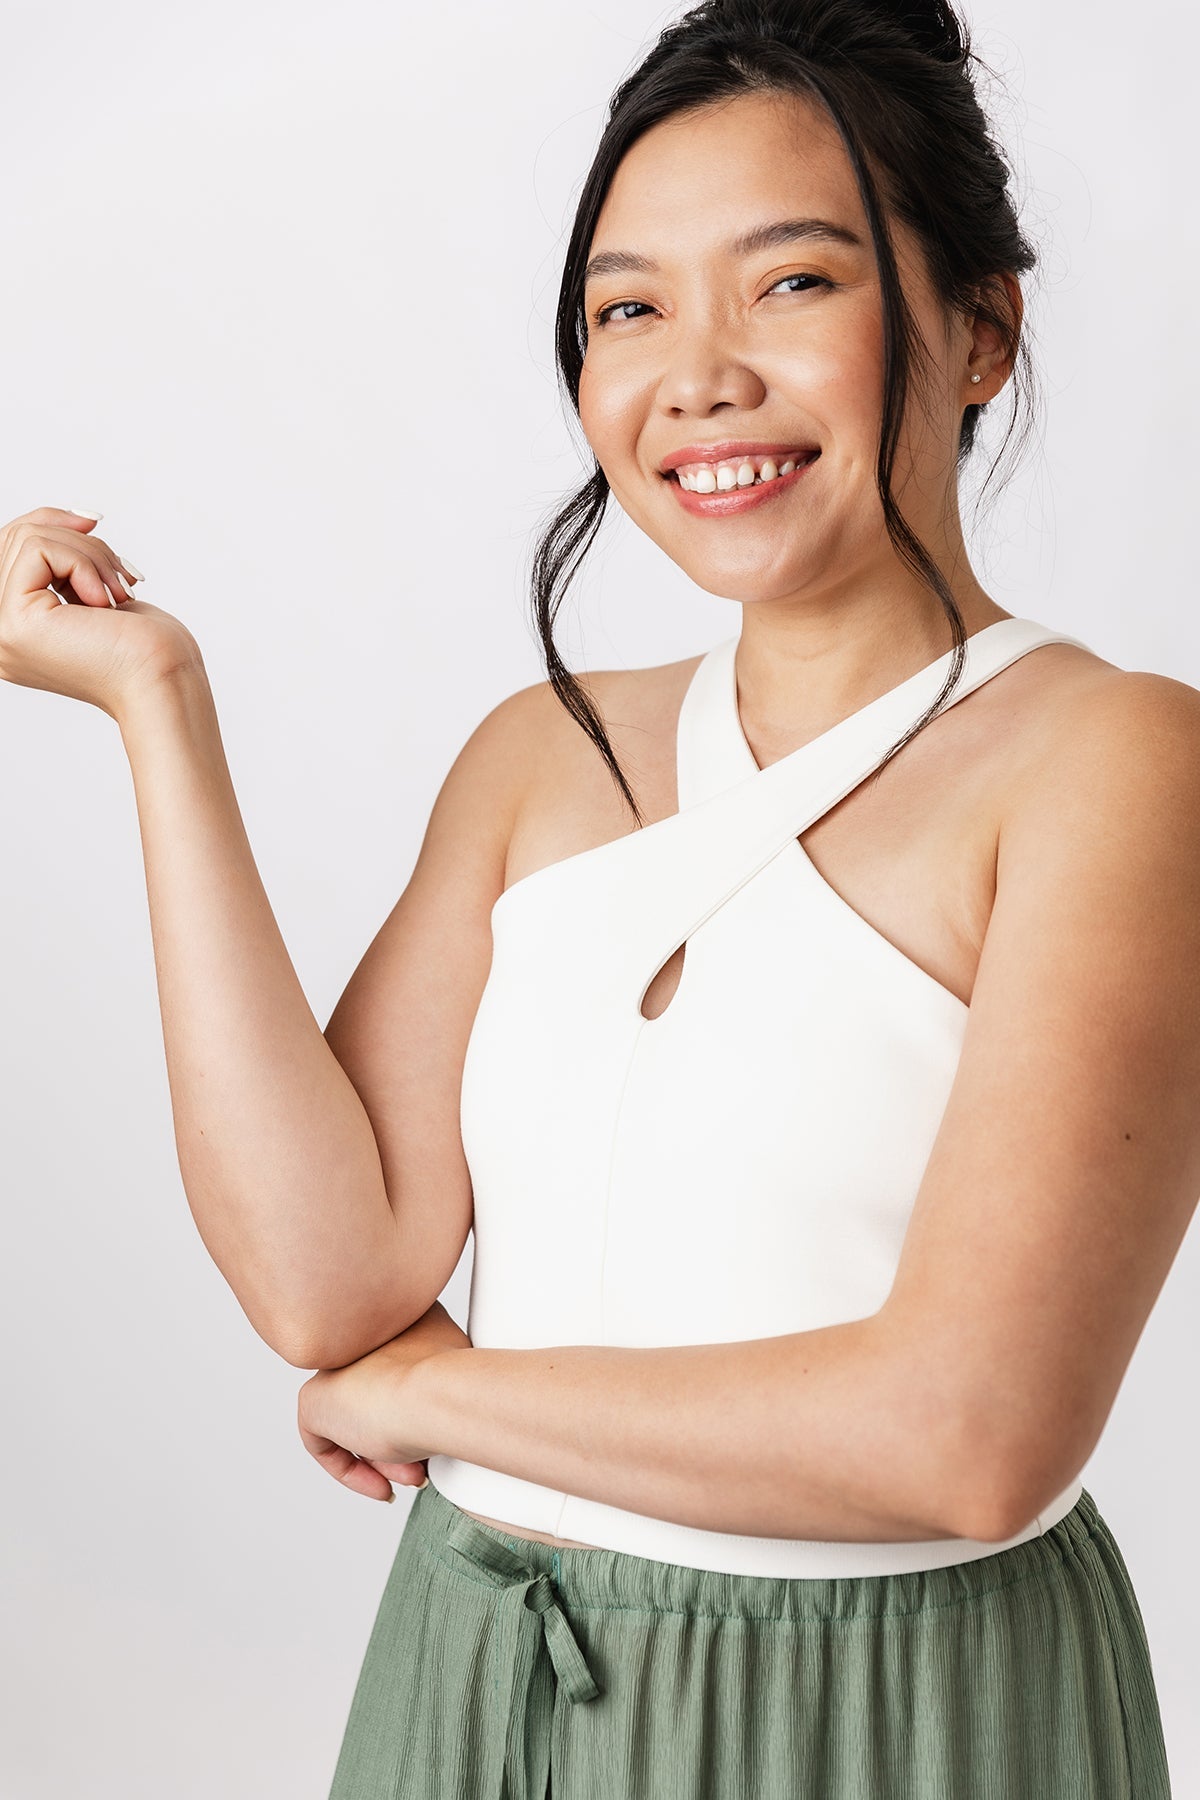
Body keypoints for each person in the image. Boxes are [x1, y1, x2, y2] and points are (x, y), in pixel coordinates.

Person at [1, 0, 1193, 1794]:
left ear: (981, 331)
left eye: (792, 284)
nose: (695, 377)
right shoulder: (540, 757)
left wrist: (433, 1395)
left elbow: (972, 1435)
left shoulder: (1114, 762)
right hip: (475, 1670)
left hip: (881, 1709)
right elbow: (331, 1278)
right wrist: (157, 708)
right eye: (629, 309)